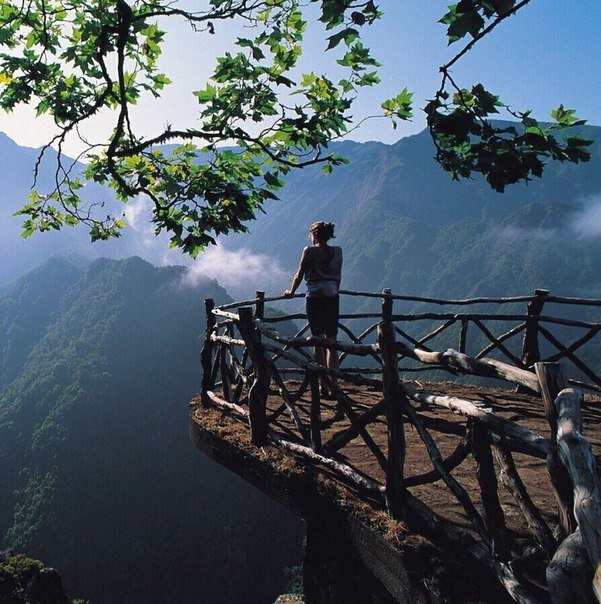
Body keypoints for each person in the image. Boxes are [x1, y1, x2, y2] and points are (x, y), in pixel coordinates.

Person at [284, 221, 343, 398]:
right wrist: (334, 290)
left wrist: (291, 291)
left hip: (315, 299)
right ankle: (334, 382)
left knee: (318, 342)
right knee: (332, 341)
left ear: (314, 235)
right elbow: (338, 276)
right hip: (333, 297)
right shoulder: (338, 251)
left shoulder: (308, 251)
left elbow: (299, 274)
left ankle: (322, 384)